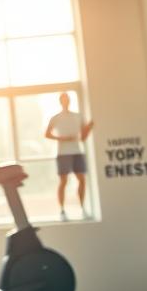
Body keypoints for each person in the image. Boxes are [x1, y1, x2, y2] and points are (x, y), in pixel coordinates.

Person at [44, 92, 94, 220]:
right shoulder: (55, 118)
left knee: (81, 179)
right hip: (62, 153)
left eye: (68, 99)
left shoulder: (78, 116)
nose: (66, 101)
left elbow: (83, 138)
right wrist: (63, 138)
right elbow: (47, 134)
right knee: (63, 181)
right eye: (64, 99)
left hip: (77, 151)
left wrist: (89, 127)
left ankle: (83, 209)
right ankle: (62, 211)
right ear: (61, 101)